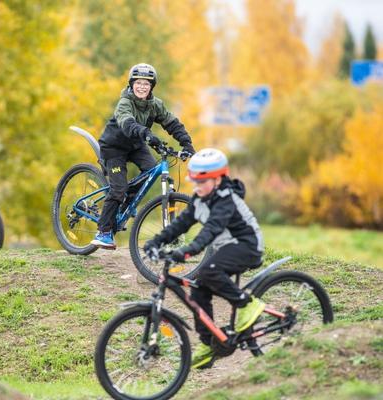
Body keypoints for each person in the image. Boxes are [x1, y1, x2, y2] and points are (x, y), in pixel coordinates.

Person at [143, 148, 265, 369]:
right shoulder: (200, 199)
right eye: (195, 182)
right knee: (199, 287)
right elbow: (180, 224)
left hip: (247, 245)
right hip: (226, 247)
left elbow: (210, 230)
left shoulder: (226, 199)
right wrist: (156, 241)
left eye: (203, 182)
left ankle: (247, 304)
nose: (197, 187)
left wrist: (188, 250)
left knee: (209, 270)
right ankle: (209, 343)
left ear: (218, 179)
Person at [91, 63, 196, 249]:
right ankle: (103, 232)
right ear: (132, 84)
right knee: (118, 189)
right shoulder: (125, 102)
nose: (142, 87)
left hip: (136, 145)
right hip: (114, 147)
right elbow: (127, 123)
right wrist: (146, 133)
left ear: (151, 87)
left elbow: (172, 124)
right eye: (138, 82)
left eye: (146, 84)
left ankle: (125, 201)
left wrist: (187, 143)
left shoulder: (155, 105)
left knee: (151, 171)